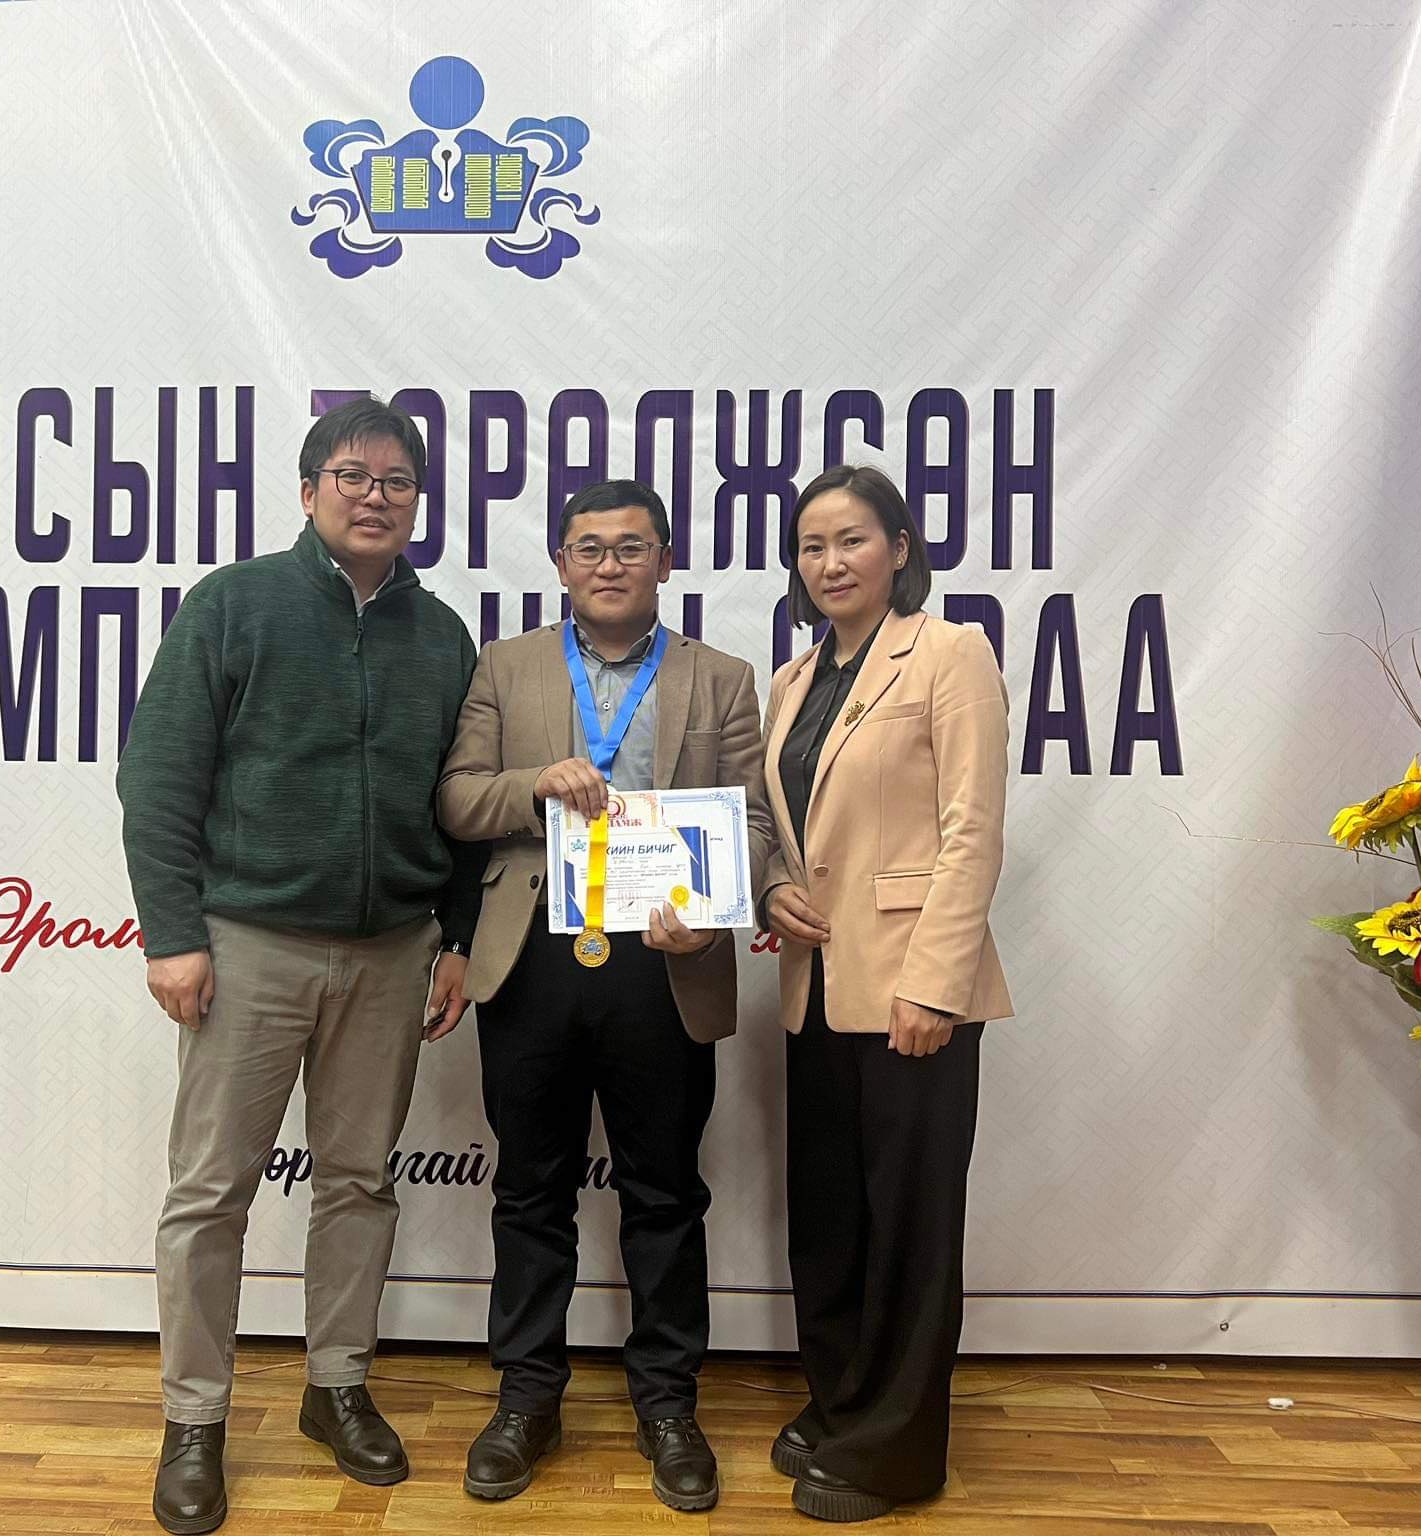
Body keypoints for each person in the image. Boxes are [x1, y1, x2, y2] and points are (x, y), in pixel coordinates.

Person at [117, 396, 484, 1536]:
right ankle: (194, 1419)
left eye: (397, 482)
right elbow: (158, 776)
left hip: (393, 952)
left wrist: (458, 936)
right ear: (309, 489)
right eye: (353, 476)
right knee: (209, 1193)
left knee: (359, 1183)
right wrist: (172, 934)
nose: (376, 497)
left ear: (418, 502)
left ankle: (336, 1387)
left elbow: (462, 804)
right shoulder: (234, 605)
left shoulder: (442, 636)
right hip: (248, 947)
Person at [436, 479, 771, 1514]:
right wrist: (534, 782)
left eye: (631, 547)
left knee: (663, 1194)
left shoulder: (721, 677)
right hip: (533, 956)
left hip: (663, 961)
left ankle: (668, 1403)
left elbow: (756, 820)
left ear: (665, 561)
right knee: (529, 1189)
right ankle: (526, 1397)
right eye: (589, 547)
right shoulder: (506, 667)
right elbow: (456, 798)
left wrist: (709, 914)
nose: (609, 564)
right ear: (561, 564)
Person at [757, 464, 1013, 1524]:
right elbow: (787, 831)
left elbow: (972, 831)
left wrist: (935, 984)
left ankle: (899, 1452)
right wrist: (770, 887)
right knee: (828, 1219)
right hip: (813, 987)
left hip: (913, 990)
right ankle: (840, 1405)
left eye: (852, 539)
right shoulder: (791, 679)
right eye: (811, 546)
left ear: (899, 548)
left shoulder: (949, 653)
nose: (830, 562)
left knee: (908, 1228)